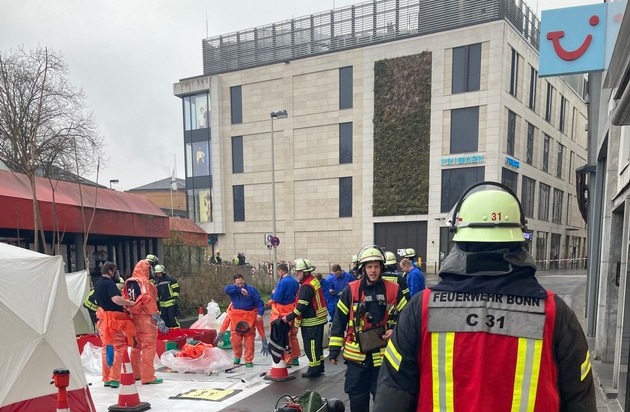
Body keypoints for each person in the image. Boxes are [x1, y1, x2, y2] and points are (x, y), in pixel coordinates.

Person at [374, 182, 597, 411]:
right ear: (520, 241)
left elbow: (393, 394)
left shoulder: (421, 308)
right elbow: (581, 401)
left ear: (458, 240)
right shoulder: (554, 312)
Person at [328, 246, 407, 412]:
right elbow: (338, 321)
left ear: (381, 267)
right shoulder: (350, 290)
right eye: (369, 267)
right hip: (357, 358)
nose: (373, 271)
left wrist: (395, 330)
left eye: (376, 266)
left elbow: (407, 319)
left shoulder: (394, 290)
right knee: (357, 398)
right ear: (363, 268)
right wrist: (334, 350)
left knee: (385, 401)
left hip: (384, 357)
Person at [123, 259, 168, 385]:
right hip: (146, 319)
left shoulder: (129, 282)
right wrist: (158, 319)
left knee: (136, 346)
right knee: (148, 347)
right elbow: (148, 301)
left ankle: (135, 373)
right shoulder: (144, 283)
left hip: (134, 318)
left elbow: (125, 299)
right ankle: (148, 376)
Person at [93, 261, 136, 388]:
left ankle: (106, 377)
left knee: (106, 348)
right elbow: (116, 299)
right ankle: (115, 378)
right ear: (110, 271)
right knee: (119, 348)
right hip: (114, 320)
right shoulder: (110, 284)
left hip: (103, 319)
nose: (116, 273)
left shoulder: (98, 283)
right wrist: (129, 303)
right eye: (115, 271)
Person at [282, 258, 328, 378]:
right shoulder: (313, 281)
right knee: (317, 347)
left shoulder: (306, 286)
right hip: (318, 319)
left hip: (311, 322)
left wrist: (288, 317)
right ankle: (319, 366)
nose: (296, 274)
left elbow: (301, 307)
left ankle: (313, 369)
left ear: (306, 272)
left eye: (299, 272)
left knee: (310, 347)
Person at [224, 274, 266, 367]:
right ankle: (237, 357)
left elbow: (259, 301)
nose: (240, 285)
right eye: (237, 284)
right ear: (235, 283)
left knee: (249, 341)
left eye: (241, 283)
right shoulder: (234, 290)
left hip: (249, 318)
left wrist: (260, 313)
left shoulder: (251, 290)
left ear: (244, 281)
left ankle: (248, 360)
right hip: (236, 319)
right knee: (235, 340)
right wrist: (239, 289)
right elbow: (226, 289)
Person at [268, 262, 301, 366]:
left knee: (284, 336)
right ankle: (295, 358)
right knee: (293, 335)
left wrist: (273, 294)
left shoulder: (283, 282)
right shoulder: (295, 282)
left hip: (282, 312)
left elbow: (277, 298)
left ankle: (288, 360)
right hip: (293, 310)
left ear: (280, 271)